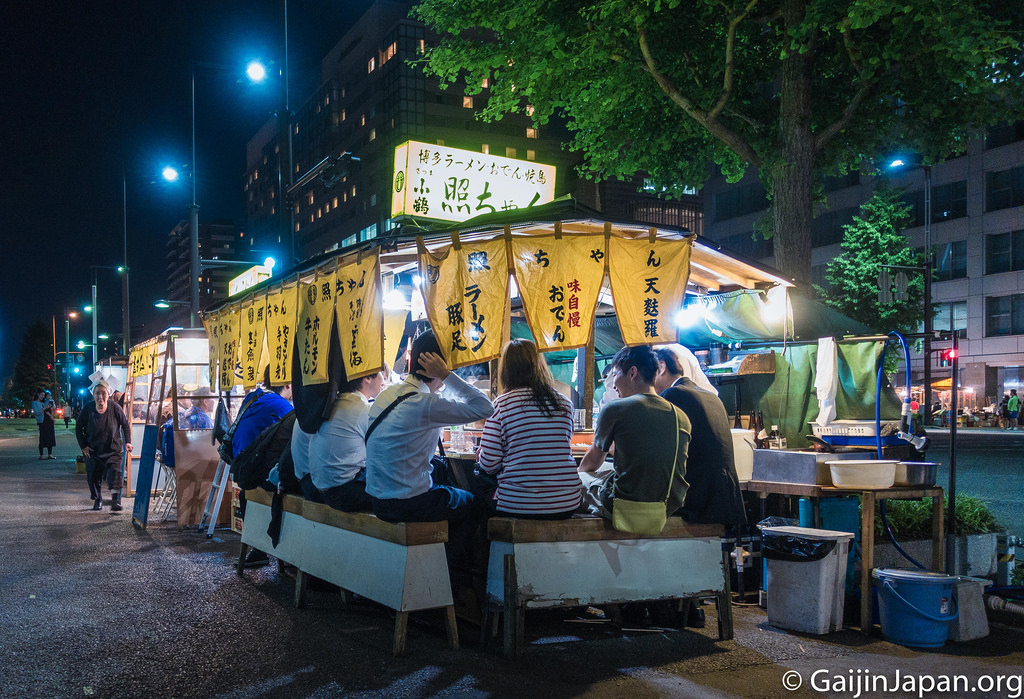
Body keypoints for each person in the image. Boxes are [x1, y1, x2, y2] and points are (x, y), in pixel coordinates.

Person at [365, 329, 493, 527]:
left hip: (377, 500)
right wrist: (446, 375)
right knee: (475, 503)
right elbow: (485, 407)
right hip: (407, 503)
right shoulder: (425, 404)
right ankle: (455, 548)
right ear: (439, 366)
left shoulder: (387, 395)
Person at [578, 345, 690, 521]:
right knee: (609, 469)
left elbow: (592, 462)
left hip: (623, 507)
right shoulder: (680, 416)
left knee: (580, 478)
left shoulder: (614, 409)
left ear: (632, 373)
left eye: (615, 374)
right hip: (666, 508)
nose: (613, 384)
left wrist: (578, 473)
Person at [477, 339, 581, 518]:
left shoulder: (502, 404)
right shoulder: (565, 403)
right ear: (540, 365)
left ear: (506, 369)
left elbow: (489, 464)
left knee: (476, 492)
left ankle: (486, 537)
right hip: (567, 502)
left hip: (520, 504)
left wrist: (481, 454)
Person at [653, 347, 746, 526]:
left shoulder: (673, 395)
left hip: (699, 501)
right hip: (726, 497)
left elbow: (661, 451)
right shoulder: (710, 396)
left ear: (662, 367)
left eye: (650, 375)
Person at [233, 367, 294, 566]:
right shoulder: (283, 406)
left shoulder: (253, 397)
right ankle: (294, 556)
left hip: (244, 469)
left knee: (247, 494)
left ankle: (258, 550)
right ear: (288, 384)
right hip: (257, 473)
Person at [305, 367, 388, 511]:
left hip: (320, 488)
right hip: (343, 492)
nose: (384, 380)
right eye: (381, 373)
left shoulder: (336, 402)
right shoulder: (362, 409)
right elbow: (385, 451)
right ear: (367, 378)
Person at [76, 380, 132, 511]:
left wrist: (128, 442)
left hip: (113, 449)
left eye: (103, 393)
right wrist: (83, 446)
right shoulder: (88, 409)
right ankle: (98, 499)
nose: (100, 397)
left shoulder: (115, 408)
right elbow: (78, 428)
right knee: (93, 476)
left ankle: (115, 500)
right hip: (93, 450)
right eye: (97, 393)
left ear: (108, 394)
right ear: (93, 395)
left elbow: (125, 425)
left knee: (115, 474)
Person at [32, 389, 56, 460]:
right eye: (42, 395)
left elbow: (48, 411)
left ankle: (50, 454)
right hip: (42, 422)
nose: (43, 396)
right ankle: (41, 455)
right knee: (43, 437)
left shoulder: (44, 402)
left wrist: (51, 411)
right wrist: (44, 408)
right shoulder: (35, 403)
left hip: (49, 421)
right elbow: (37, 413)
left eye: (44, 395)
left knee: (50, 437)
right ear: (38, 394)